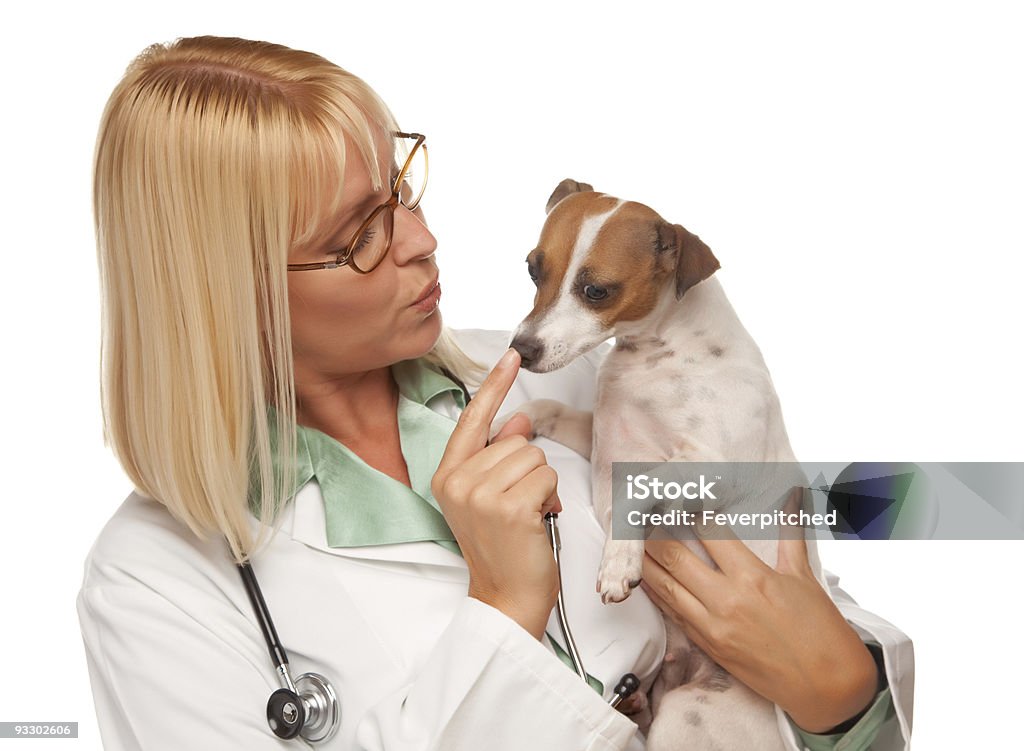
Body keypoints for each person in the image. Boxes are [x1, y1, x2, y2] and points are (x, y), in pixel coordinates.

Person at [77, 36, 913, 750]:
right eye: (360, 233)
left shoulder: (570, 380)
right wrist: (502, 608)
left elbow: (793, 592)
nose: (424, 238)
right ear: (229, 289)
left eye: (401, 190)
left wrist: (842, 696)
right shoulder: (153, 588)